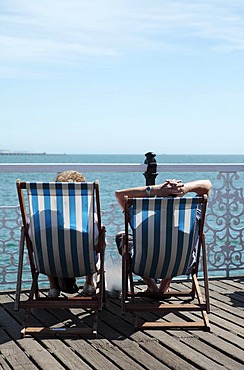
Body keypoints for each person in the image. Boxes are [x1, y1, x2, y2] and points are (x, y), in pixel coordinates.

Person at [115, 178, 212, 293]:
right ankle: (165, 285)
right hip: (183, 266)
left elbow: (119, 194)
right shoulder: (193, 216)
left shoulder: (140, 217)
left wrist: (156, 190)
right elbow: (207, 185)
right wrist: (183, 188)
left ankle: (152, 286)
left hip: (143, 266)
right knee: (175, 243)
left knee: (122, 237)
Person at [48, 170, 98, 298]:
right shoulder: (89, 218)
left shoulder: (43, 217)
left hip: (51, 264)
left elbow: (32, 245)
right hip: (83, 265)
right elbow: (98, 246)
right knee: (97, 244)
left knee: (45, 247)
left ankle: (53, 287)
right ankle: (89, 283)